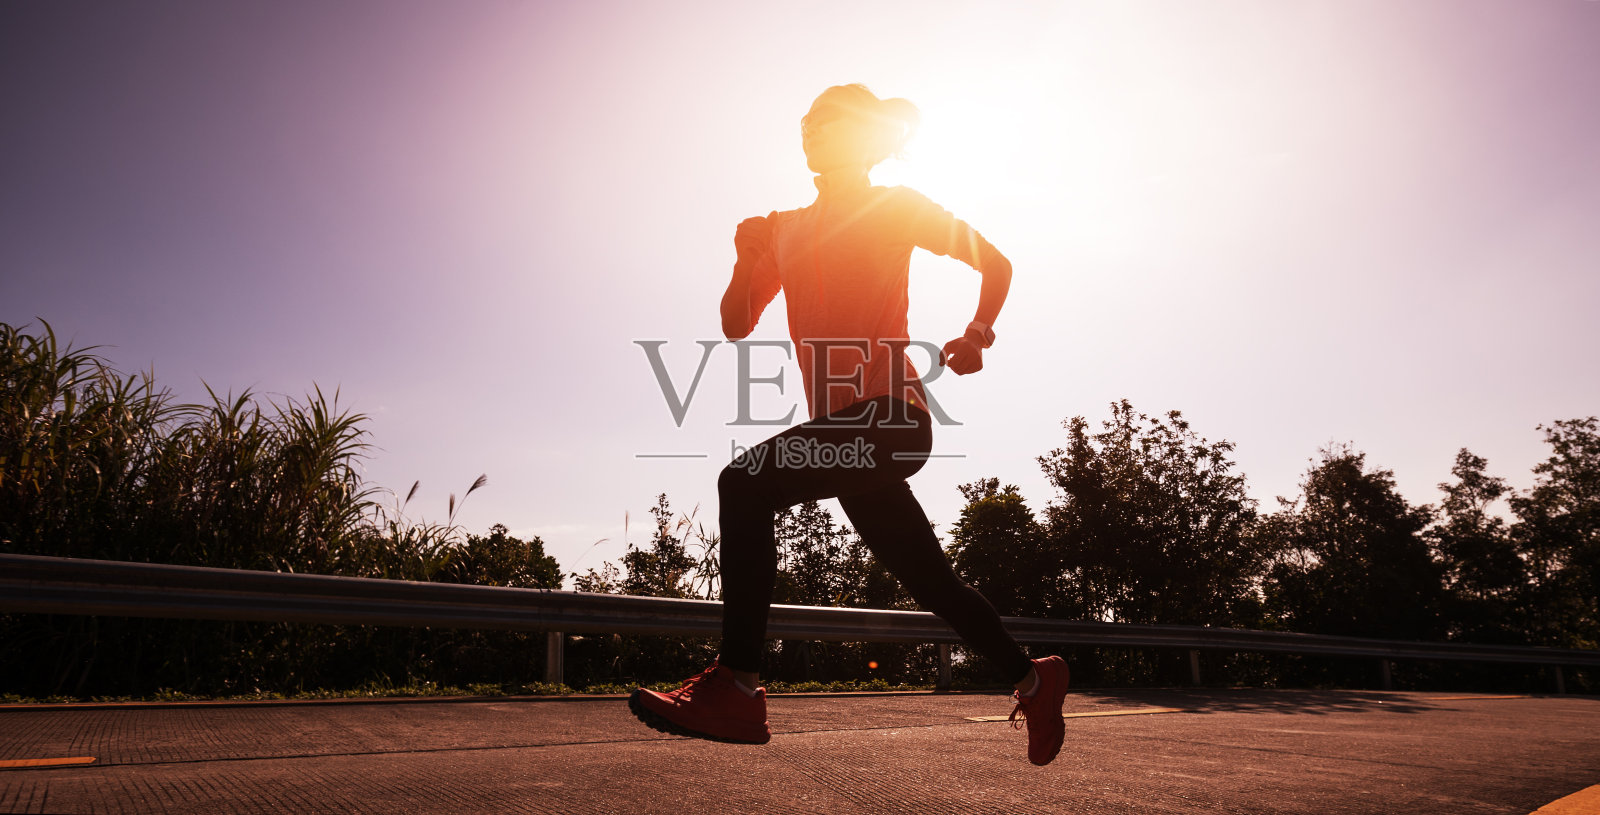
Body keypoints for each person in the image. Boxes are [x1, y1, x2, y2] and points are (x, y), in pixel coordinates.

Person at [629, 84, 1070, 766]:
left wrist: (978, 332)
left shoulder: (896, 207)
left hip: (893, 417)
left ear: (865, 138)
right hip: (846, 432)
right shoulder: (781, 229)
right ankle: (1036, 678)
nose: (812, 131)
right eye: (808, 122)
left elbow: (996, 262)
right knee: (932, 581)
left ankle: (740, 685)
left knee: (743, 483)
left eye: (829, 123)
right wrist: (746, 258)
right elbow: (735, 322)